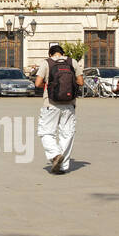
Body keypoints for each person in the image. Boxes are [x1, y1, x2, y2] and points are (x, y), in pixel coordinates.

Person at [35, 44, 80, 175]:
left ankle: (55, 155)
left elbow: (37, 83)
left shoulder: (46, 63)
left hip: (51, 103)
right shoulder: (73, 62)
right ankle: (63, 166)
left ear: (50, 54)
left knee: (46, 132)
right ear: (62, 53)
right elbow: (81, 82)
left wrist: (50, 84)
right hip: (69, 104)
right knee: (67, 134)